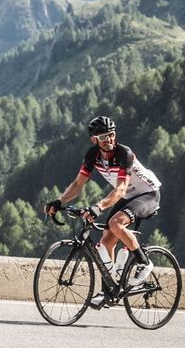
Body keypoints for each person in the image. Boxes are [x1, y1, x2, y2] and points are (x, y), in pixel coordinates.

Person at [43, 115, 161, 307]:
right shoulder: (93, 155)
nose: (110, 140)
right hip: (127, 198)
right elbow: (78, 184)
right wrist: (59, 201)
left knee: (115, 224)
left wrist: (99, 207)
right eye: (104, 137)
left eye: (112, 135)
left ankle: (144, 262)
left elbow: (121, 188)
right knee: (106, 240)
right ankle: (110, 290)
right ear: (94, 140)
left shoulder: (124, 154)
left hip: (147, 194)